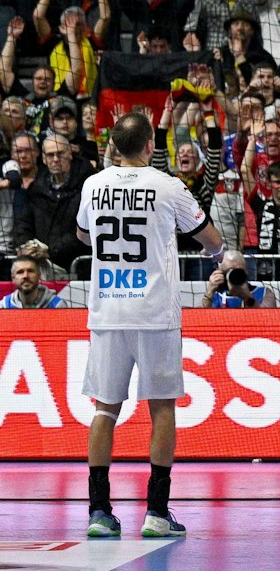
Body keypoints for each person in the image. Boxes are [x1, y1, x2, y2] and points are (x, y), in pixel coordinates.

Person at [75, 113, 225, 538]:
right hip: (155, 312)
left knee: (105, 409)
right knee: (161, 408)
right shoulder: (168, 185)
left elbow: (84, 237)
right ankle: (156, 512)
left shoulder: (93, 184)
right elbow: (210, 239)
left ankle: (98, 512)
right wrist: (220, 254)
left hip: (108, 310)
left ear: (114, 146)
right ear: (148, 147)